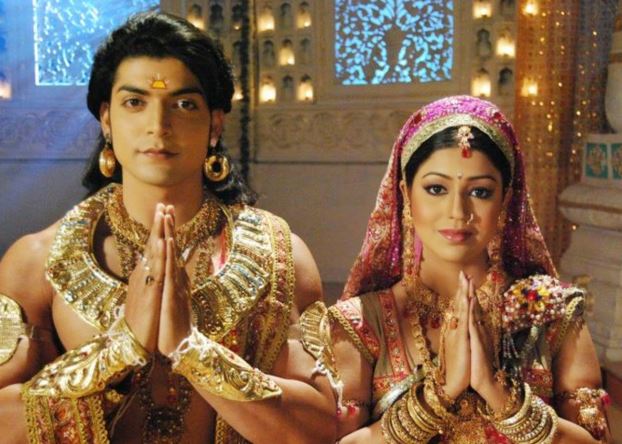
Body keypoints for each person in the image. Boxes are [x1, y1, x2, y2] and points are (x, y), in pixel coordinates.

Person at [0, 12, 338, 444]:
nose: (158, 126)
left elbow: (320, 426)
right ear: (106, 118)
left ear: (215, 124)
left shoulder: (280, 256)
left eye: (184, 104)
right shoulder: (39, 261)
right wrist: (119, 350)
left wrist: (192, 350)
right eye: (135, 102)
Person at [328, 96, 612, 442]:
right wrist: (438, 396)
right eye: (436, 188)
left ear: (505, 198)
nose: (458, 211)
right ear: (406, 194)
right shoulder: (361, 323)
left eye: (480, 191)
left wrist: (503, 399)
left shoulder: (553, 314)